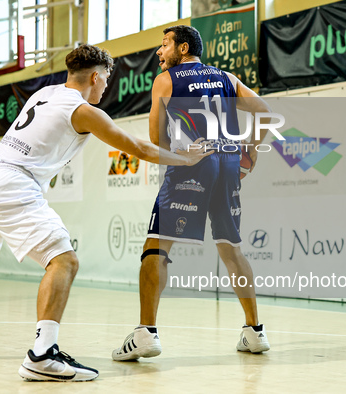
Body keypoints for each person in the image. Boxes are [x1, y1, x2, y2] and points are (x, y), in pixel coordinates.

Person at [0, 44, 212, 382]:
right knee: (64, 261)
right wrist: (187, 157)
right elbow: (136, 147)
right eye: (105, 80)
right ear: (95, 77)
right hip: (13, 185)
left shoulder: (45, 93)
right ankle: (41, 354)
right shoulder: (83, 111)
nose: (106, 86)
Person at [112, 25, 272, 361]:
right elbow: (264, 112)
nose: (159, 51)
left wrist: (182, 158)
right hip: (229, 164)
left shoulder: (166, 80)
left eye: (165, 44)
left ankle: (146, 333)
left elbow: (157, 138)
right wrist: (251, 150)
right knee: (231, 248)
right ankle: (255, 331)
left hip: (192, 163)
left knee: (156, 245)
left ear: (183, 48)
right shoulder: (227, 77)